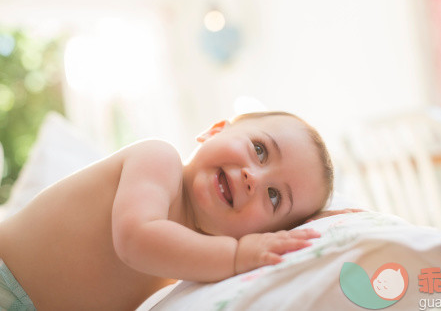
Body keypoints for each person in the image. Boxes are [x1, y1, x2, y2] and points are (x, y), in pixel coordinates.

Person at [0, 111, 337, 310]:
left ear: (265, 233)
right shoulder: (159, 160)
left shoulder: (192, 267)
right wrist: (237, 254)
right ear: (214, 131)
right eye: (260, 150)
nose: (254, 177)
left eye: (275, 197)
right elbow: (136, 239)